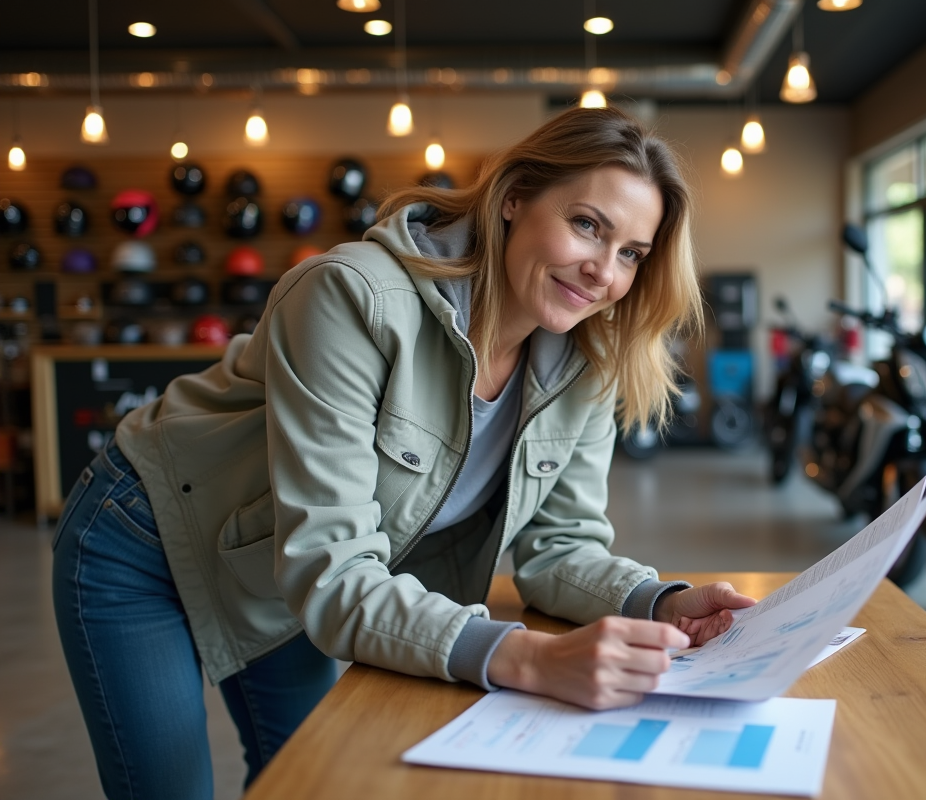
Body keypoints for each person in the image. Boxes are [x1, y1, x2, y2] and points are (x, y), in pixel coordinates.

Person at [52, 106, 756, 800]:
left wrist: (660, 603)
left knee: (310, 782)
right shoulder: (351, 296)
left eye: (631, 253)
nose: (604, 271)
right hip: (145, 539)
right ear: (514, 197)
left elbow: (560, 547)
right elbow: (332, 568)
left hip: (282, 563)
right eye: (587, 225)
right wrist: (527, 658)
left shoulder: (585, 362)